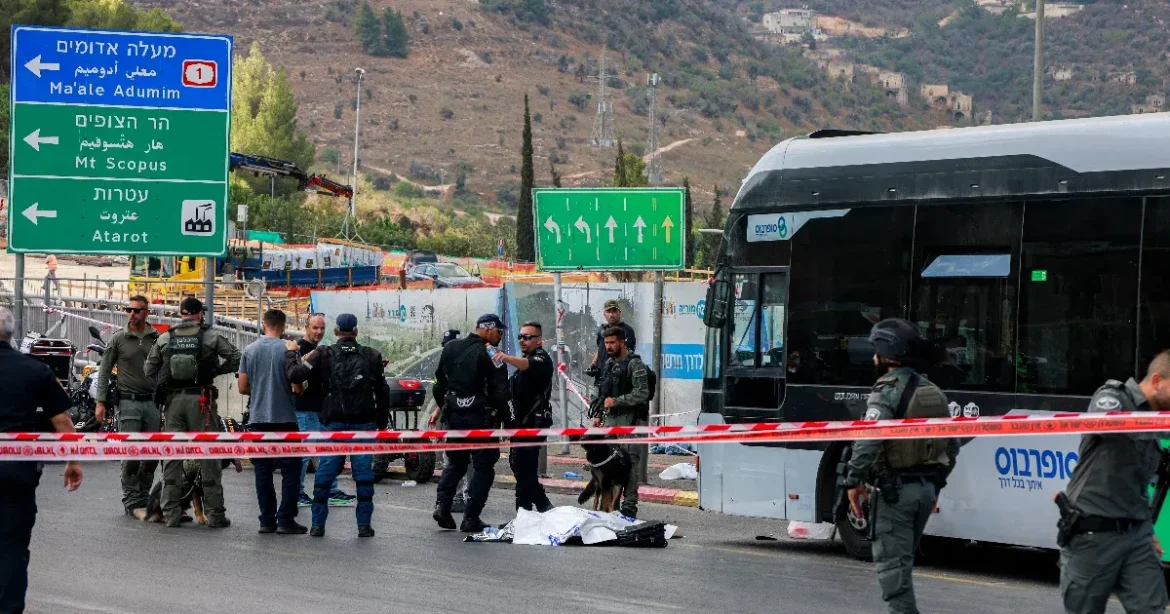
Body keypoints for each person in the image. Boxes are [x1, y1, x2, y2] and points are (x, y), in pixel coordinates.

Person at [844, 318, 959, 614]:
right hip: (924, 491)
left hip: (895, 494)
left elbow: (868, 440)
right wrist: (935, 484)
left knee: (894, 573)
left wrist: (853, 482)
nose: (873, 358)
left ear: (885, 354)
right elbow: (952, 446)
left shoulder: (887, 391)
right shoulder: (933, 391)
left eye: (876, 352)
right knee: (902, 564)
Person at [1056, 351, 1170, 614]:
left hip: (1136, 534)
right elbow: (1108, 425)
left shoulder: (1155, 418)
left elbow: (1135, 483)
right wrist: (1160, 427)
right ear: (1156, 381)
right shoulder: (1114, 397)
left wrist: (1147, 527)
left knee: (1152, 609)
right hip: (1093, 533)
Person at [0, 306, 83, 612]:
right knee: (11, 549)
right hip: (16, 472)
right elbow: (62, 421)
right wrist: (73, 461)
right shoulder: (35, 370)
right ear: (11, 334)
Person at [288, 314, 390, 538]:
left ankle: (318, 526)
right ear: (356, 331)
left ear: (335, 332)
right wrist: (381, 422)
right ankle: (364, 526)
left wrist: (291, 353)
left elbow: (295, 375)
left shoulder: (322, 353)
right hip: (364, 423)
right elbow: (383, 391)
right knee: (363, 475)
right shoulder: (372, 355)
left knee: (325, 473)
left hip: (332, 422)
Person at [144, 297, 241, 528]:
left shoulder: (166, 337)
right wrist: (216, 370)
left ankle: (171, 514)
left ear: (182, 313)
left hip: (173, 403)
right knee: (209, 457)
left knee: (173, 458)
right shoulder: (210, 336)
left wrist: (168, 377)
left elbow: (149, 369)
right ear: (198, 314)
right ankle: (215, 515)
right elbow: (236, 357)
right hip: (202, 402)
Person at [432, 314, 509, 532]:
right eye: (499, 332)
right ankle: (471, 517)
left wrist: (445, 406)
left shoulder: (451, 348)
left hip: (455, 417)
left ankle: (442, 507)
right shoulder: (492, 353)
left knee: (456, 464)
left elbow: (438, 384)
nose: (500, 337)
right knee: (484, 468)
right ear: (488, 329)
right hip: (481, 419)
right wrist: (508, 420)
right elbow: (501, 391)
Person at [238, 309, 307, 535]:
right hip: (286, 419)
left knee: (263, 471)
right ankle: (286, 519)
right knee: (291, 471)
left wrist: (260, 390)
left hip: (258, 419)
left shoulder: (249, 350)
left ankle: (266, 520)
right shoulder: (289, 350)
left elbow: (242, 387)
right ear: (284, 326)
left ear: (263, 324)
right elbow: (297, 387)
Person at [94, 295, 161, 520]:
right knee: (132, 454)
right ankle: (132, 502)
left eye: (137, 310)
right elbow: (104, 370)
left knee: (151, 455)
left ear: (146, 312)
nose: (132, 314)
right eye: (128, 310)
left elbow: (166, 370)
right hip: (128, 402)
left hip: (152, 403)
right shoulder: (119, 338)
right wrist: (100, 402)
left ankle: (144, 498)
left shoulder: (157, 339)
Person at [293, 314, 355, 508]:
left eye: (321, 328)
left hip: (322, 410)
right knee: (305, 454)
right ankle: (297, 493)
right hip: (305, 410)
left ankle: (330, 490)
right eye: (315, 328)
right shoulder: (299, 349)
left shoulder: (322, 350)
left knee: (327, 452)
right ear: (306, 328)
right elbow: (294, 377)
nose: (319, 332)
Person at [494, 322, 555, 512]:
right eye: (520, 336)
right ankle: (538, 506)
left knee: (523, 467)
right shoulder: (524, 362)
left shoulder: (541, 359)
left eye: (527, 337)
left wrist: (505, 357)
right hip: (520, 423)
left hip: (534, 423)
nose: (522, 340)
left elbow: (529, 365)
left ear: (539, 340)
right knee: (520, 467)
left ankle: (528, 510)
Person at [590, 325, 649, 519]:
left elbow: (642, 393)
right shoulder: (608, 364)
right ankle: (609, 507)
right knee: (610, 465)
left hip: (630, 423)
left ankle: (629, 507)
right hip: (611, 423)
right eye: (606, 343)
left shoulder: (634, 364)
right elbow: (602, 391)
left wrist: (617, 401)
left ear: (622, 342)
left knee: (630, 466)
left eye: (612, 342)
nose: (608, 346)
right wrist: (599, 414)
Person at [426, 329, 473, 513]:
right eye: (446, 346)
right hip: (455, 418)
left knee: (461, 460)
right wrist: (439, 410)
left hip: (465, 419)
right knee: (457, 460)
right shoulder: (448, 365)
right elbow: (442, 391)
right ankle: (462, 496)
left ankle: (463, 496)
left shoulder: (467, 364)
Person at [587, 299, 636, 383]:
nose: (611, 314)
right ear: (604, 314)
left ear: (619, 313)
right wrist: (593, 365)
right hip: (601, 378)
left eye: (614, 311)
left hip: (619, 379)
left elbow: (627, 354)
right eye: (608, 311)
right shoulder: (602, 330)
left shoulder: (627, 331)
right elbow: (600, 349)